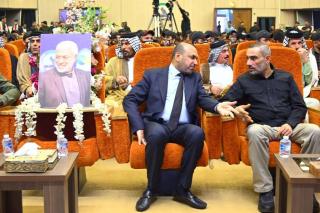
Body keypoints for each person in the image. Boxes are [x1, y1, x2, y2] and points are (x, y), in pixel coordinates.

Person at [123, 42, 238, 211]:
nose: (196, 62)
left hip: (182, 126)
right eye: (192, 57)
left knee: (197, 133)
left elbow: (203, 98)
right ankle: (151, 190)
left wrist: (216, 106)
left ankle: (182, 190)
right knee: (156, 135)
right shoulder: (153, 75)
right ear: (178, 57)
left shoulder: (195, 77)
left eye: (197, 58)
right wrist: (138, 126)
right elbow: (130, 99)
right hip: (157, 123)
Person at [221, 43, 320, 213]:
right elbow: (225, 102)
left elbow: (299, 106)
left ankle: (305, 184)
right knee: (254, 131)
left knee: (315, 131)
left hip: (289, 126)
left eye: (253, 58)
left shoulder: (286, 78)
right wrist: (235, 109)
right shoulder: (244, 80)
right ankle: (265, 190)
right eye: (247, 59)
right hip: (263, 127)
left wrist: (290, 123)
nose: (248, 63)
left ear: (267, 59)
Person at [38, 40, 91, 108]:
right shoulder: (44, 77)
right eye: (57, 57)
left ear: (75, 57)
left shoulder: (86, 76)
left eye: (65, 57)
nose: (60, 61)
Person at [103, 33, 141, 107]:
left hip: (139, 95)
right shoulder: (113, 61)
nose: (123, 47)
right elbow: (103, 79)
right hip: (118, 96)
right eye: (122, 44)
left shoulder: (144, 60)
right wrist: (115, 80)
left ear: (135, 45)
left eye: (127, 44)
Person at [283, 28, 319, 106]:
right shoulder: (282, 58)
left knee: (314, 103)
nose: (297, 46)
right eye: (293, 43)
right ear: (287, 45)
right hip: (285, 94)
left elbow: (309, 82)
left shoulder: (310, 57)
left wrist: (305, 62)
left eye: (300, 43)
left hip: (304, 93)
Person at [17, 31, 41, 98]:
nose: (35, 44)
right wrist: (27, 89)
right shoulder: (24, 57)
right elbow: (22, 81)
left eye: (38, 41)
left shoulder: (48, 57)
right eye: (32, 41)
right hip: (29, 93)